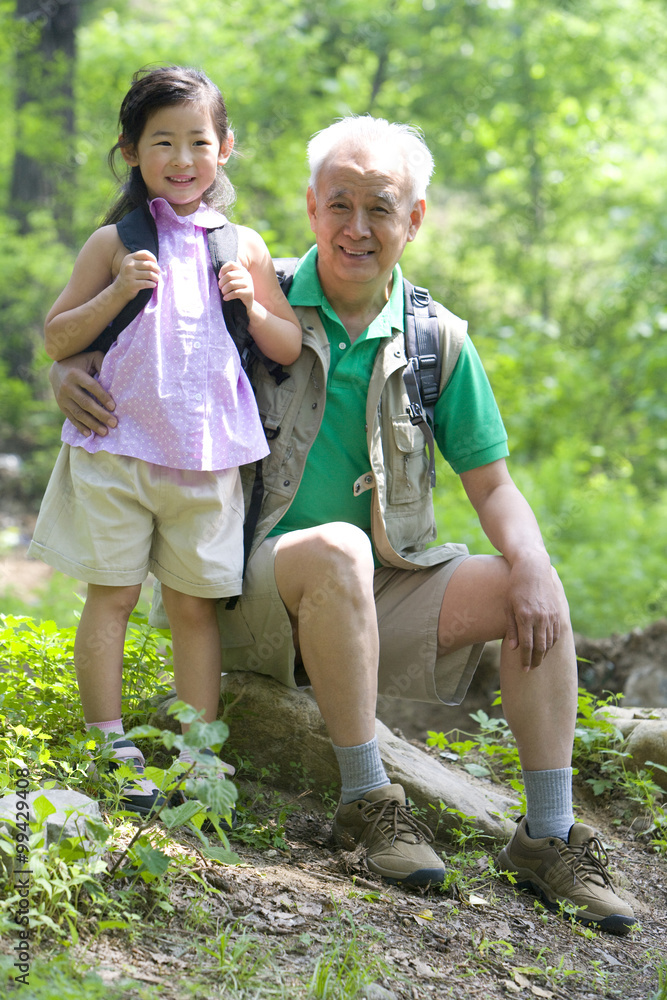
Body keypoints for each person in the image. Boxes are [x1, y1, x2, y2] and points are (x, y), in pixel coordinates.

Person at [49, 114, 636, 934]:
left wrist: (532, 563)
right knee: (335, 547)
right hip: (250, 588)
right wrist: (69, 374)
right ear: (311, 206)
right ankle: (368, 798)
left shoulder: (437, 339)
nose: (357, 228)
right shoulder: (246, 295)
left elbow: (493, 486)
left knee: (527, 584)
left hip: (373, 590)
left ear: (415, 218)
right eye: (339, 204)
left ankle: (548, 834)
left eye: (381, 207)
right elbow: (120, 344)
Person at [28, 66, 301, 815]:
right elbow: (57, 339)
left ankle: (195, 753)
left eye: (198, 142)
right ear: (131, 152)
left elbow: (284, 345)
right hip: (117, 449)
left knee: (193, 608)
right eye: (162, 143)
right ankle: (109, 739)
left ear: (225, 149)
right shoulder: (113, 241)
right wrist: (117, 289)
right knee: (110, 596)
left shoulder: (240, 242)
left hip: (207, 457)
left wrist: (254, 300)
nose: (182, 159)